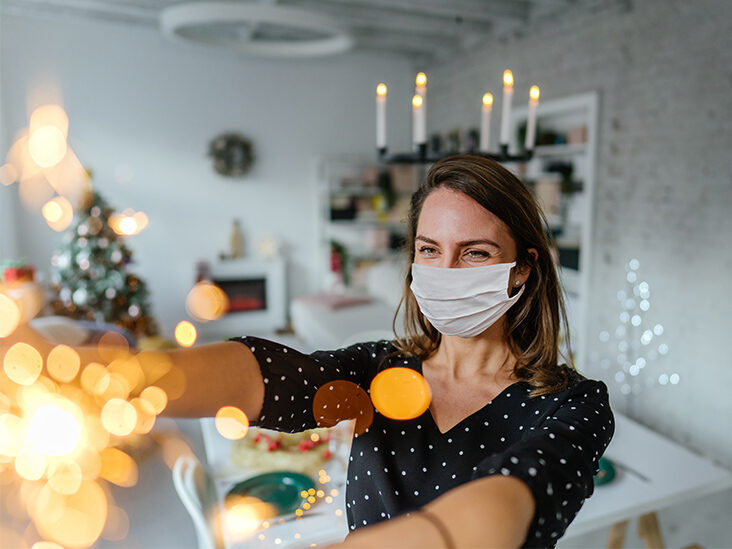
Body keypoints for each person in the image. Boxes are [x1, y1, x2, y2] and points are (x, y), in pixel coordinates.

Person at [3, 155, 614, 548]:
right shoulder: (384, 368)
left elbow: (503, 507)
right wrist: (99, 375)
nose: (445, 269)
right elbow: (266, 378)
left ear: (522, 270)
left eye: (475, 253)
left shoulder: (574, 406)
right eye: (429, 249)